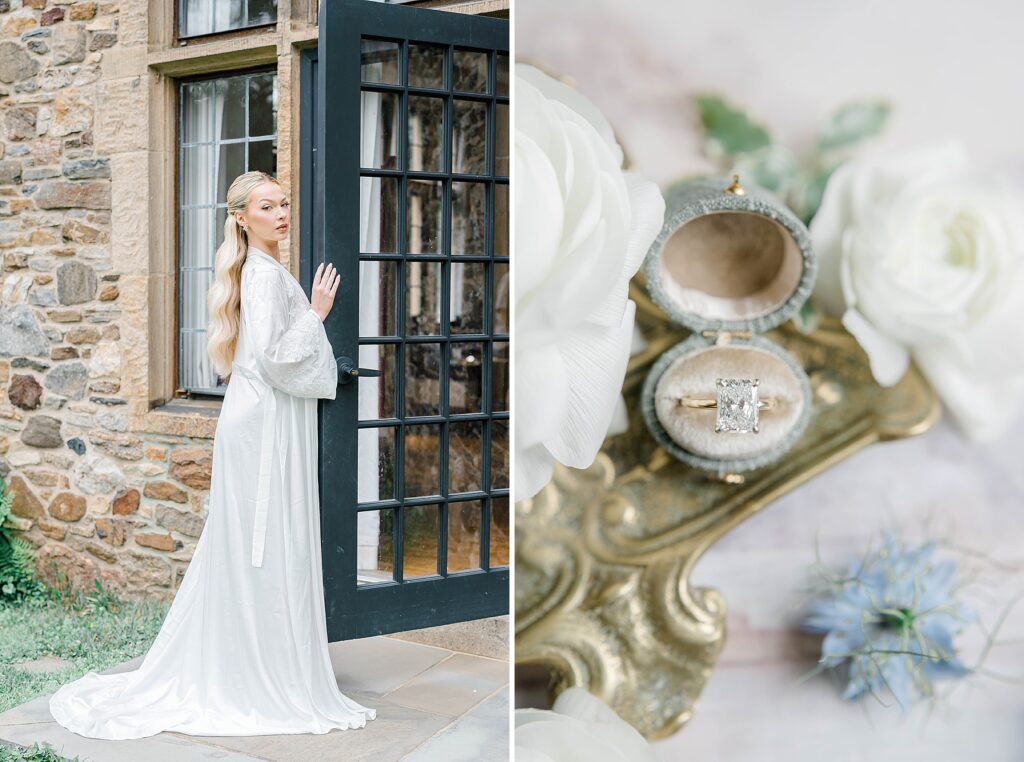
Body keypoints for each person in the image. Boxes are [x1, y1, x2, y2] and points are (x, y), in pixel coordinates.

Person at [48, 170, 377, 739]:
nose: (281, 214)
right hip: (262, 428)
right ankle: (255, 672)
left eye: (283, 205)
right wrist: (319, 311)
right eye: (268, 207)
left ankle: (260, 664)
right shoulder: (263, 275)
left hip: (262, 422)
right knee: (261, 544)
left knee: (262, 544)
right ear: (243, 219)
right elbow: (276, 357)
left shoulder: (266, 271)